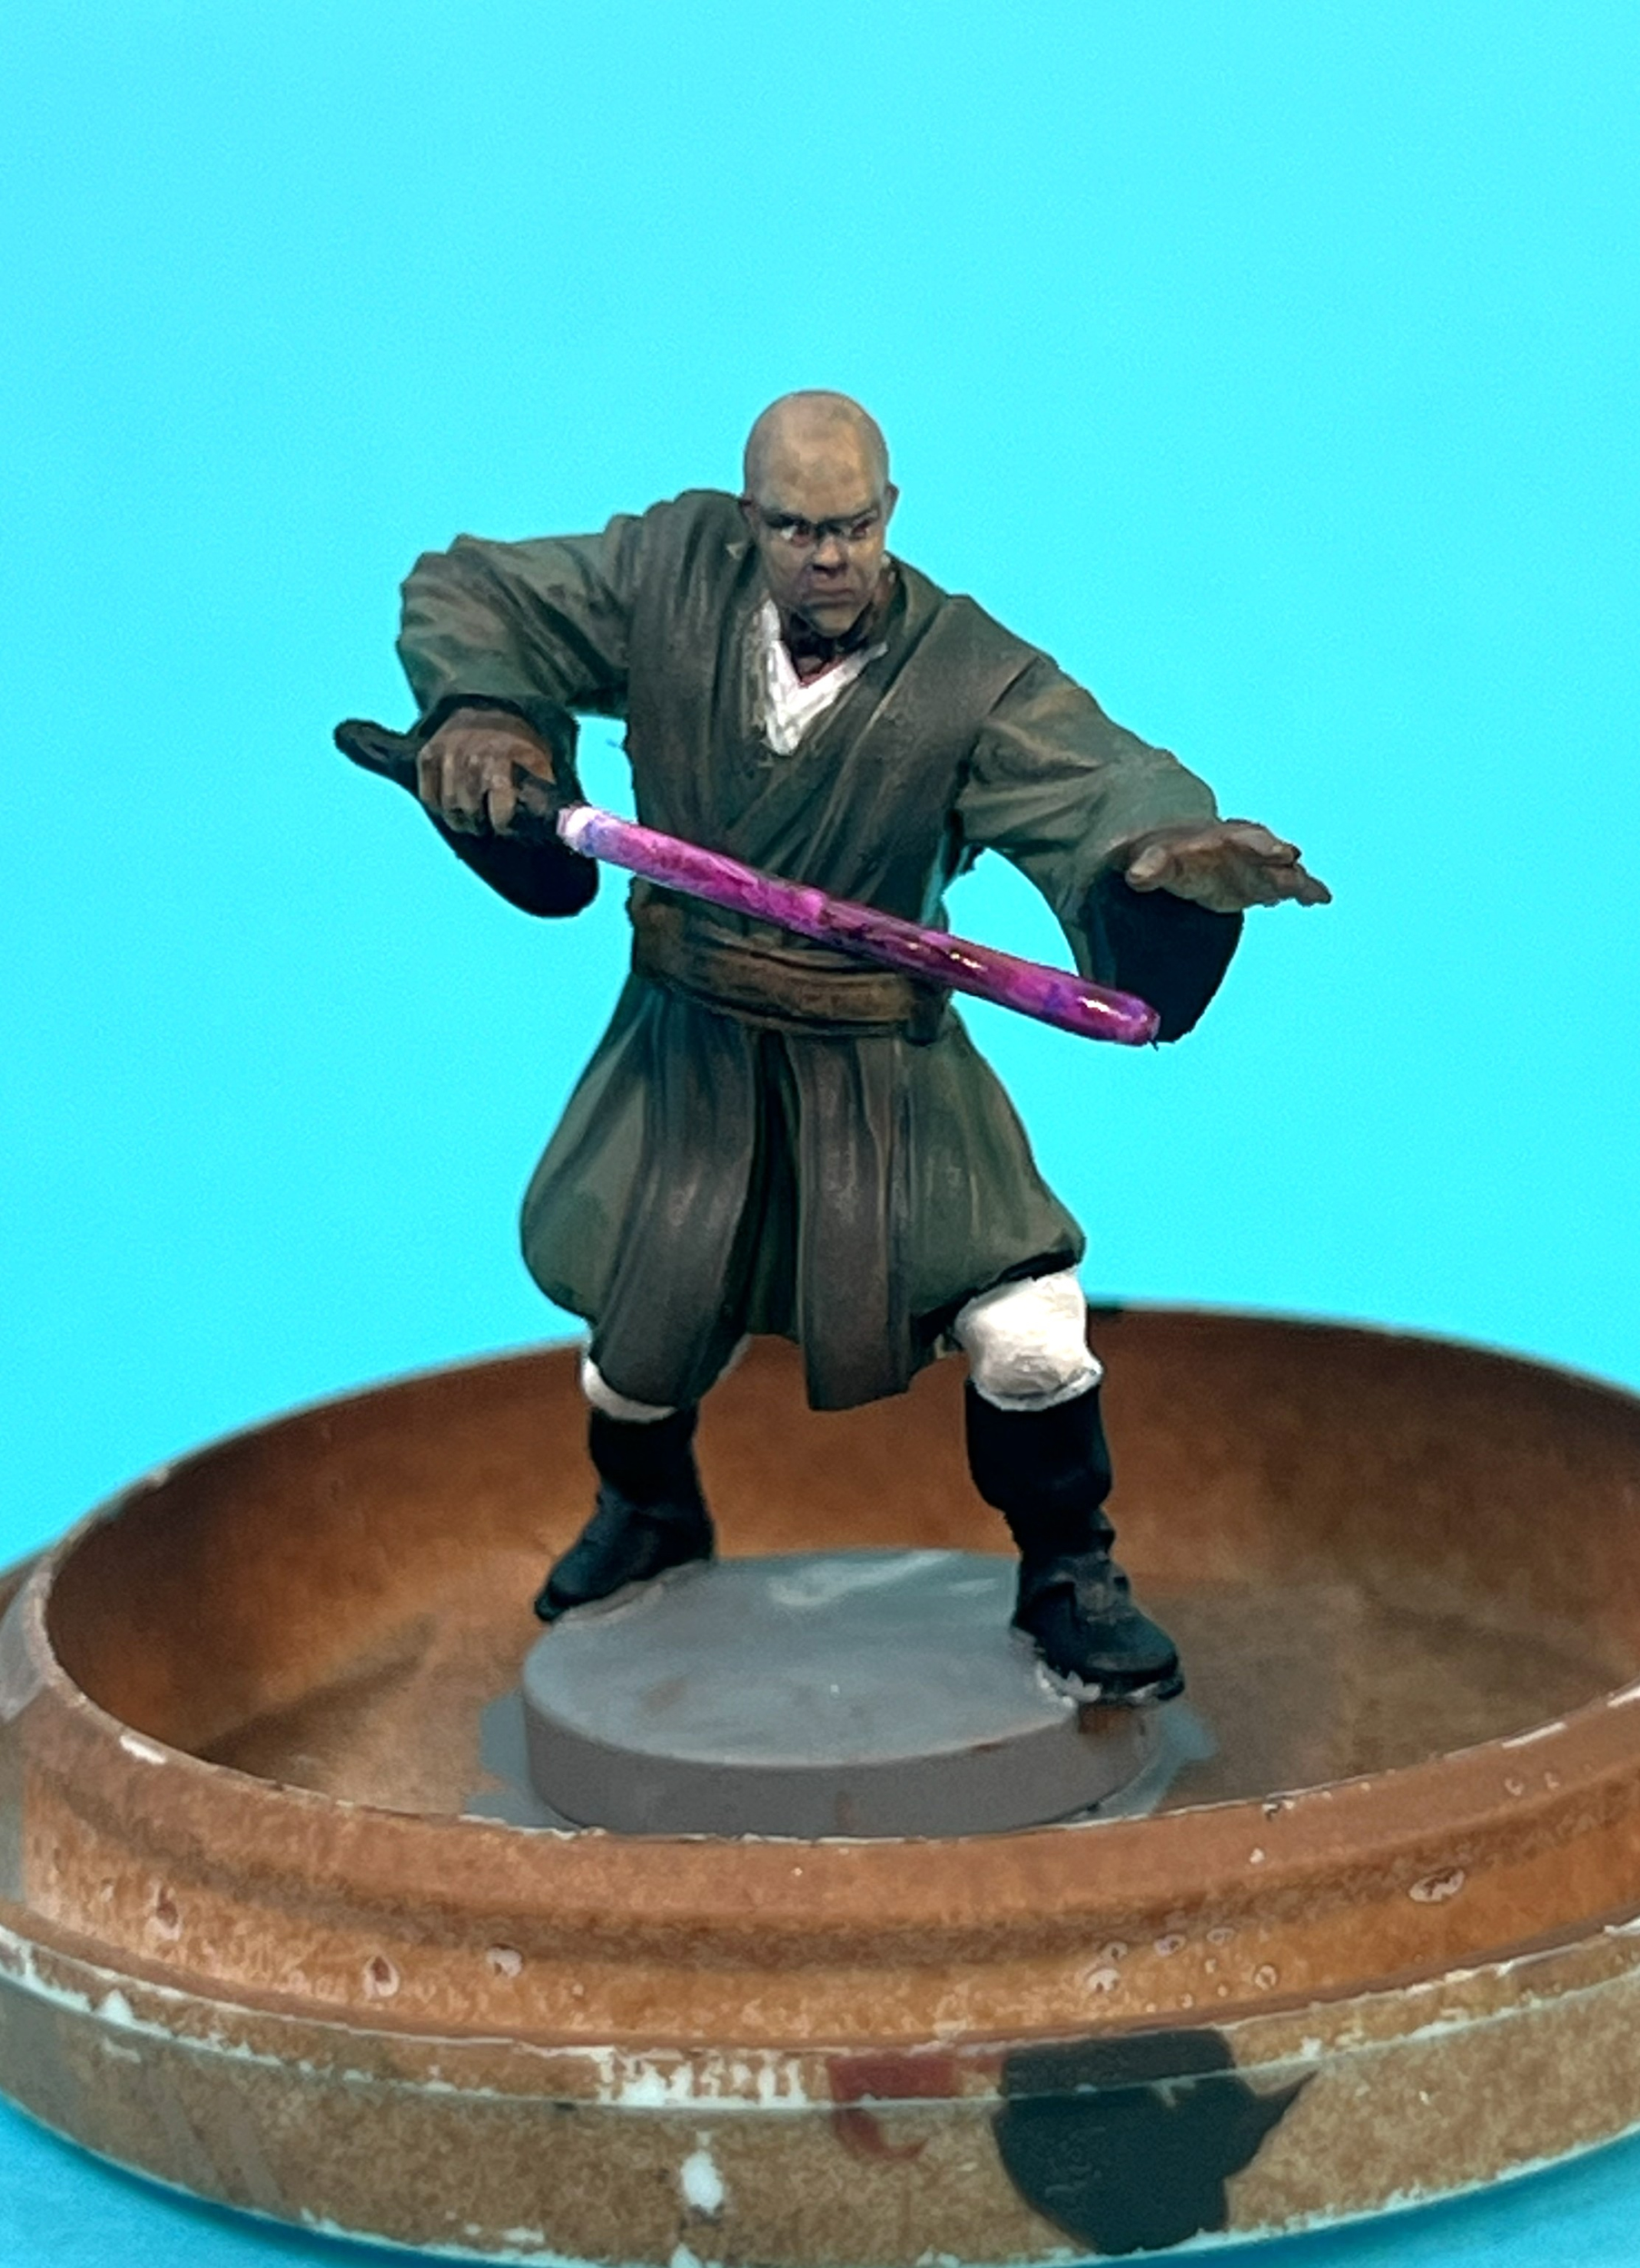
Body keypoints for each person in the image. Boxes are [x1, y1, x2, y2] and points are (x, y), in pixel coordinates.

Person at [386, 391, 1329, 1701]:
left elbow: (1098, 776)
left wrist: (1161, 854)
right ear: (749, 520)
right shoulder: (667, 582)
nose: (826, 556)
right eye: (793, 529)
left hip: (878, 1068)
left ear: (890, 513)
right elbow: (473, 589)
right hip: (692, 1048)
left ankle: (1071, 1568)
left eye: (851, 527)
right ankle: (649, 1514)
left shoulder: (968, 679)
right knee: (636, 1335)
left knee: (1030, 1329)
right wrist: (485, 710)